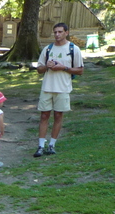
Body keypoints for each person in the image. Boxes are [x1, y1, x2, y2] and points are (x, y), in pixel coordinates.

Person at [34, 22, 83, 157]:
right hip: (47, 87)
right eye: (55, 32)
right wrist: (47, 66)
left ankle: (52, 145)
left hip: (63, 88)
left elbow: (80, 70)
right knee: (44, 115)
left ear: (66, 33)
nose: (57, 34)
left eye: (60, 32)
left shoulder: (73, 49)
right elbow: (39, 69)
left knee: (58, 115)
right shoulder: (48, 49)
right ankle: (40, 146)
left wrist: (64, 68)